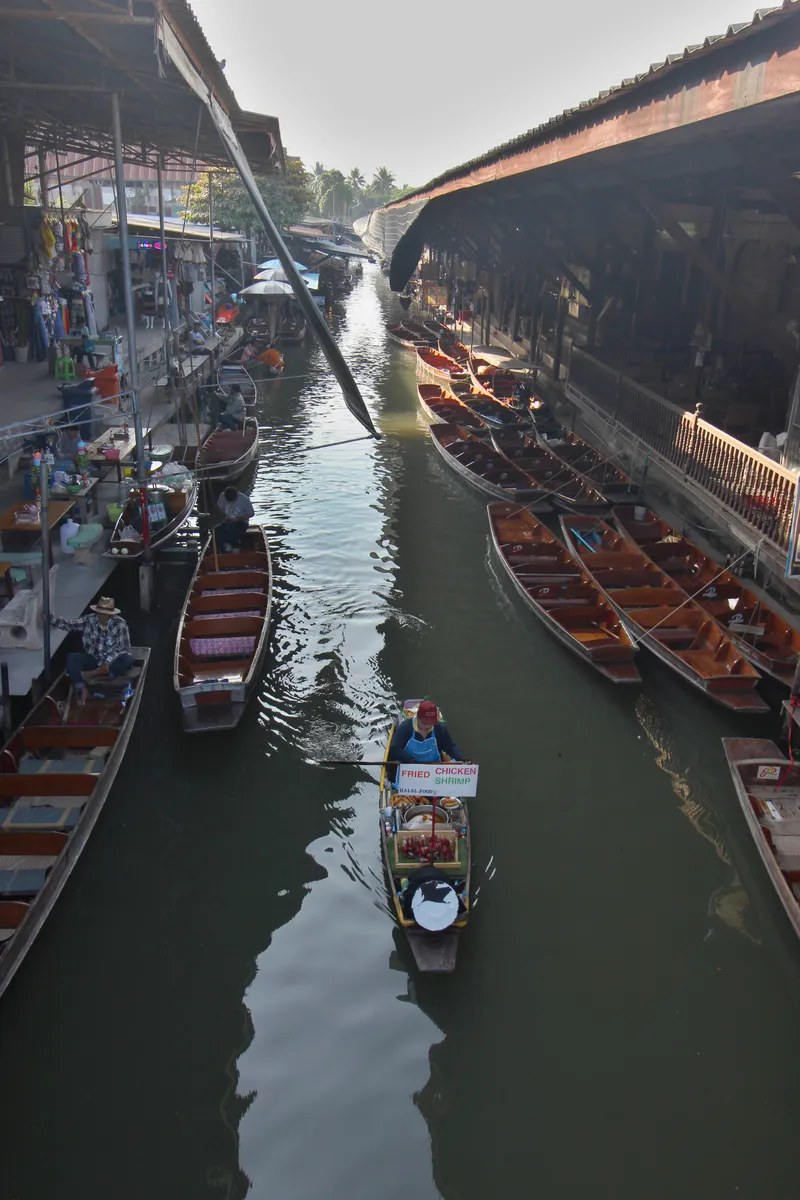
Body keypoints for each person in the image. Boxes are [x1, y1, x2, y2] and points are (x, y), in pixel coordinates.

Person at [49, 596, 133, 705]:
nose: (100, 616)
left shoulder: (120, 624)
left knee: (127, 659)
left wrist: (108, 661)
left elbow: (123, 647)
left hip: (112, 661)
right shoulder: (89, 619)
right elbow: (70, 624)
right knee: (72, 658)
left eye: (103, 614)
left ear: (111, 615)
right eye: (99, 613)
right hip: (95, 657)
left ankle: (98, 673)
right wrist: (51, 619)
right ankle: (82, 688)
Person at [388, 700, 463, 780]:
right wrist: (411, 761)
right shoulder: (405, 728)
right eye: (425, 722)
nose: (427, 726)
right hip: (410, 771)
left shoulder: (440, 729)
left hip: (434, 770)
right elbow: (394, 749)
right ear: (418, 717)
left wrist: (460, 759)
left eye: (431, 722)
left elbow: (450, 747)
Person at [216, 486, 254, 551]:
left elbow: (251, 513)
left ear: (236, 495)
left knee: (230, 528)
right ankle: (223, 547)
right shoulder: (222, 496)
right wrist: (225, 516)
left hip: (241, 522)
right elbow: (220, 509)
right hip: (228, 520)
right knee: (217, 529)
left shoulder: (244, 499)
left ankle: (236, 546)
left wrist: (238, 518)